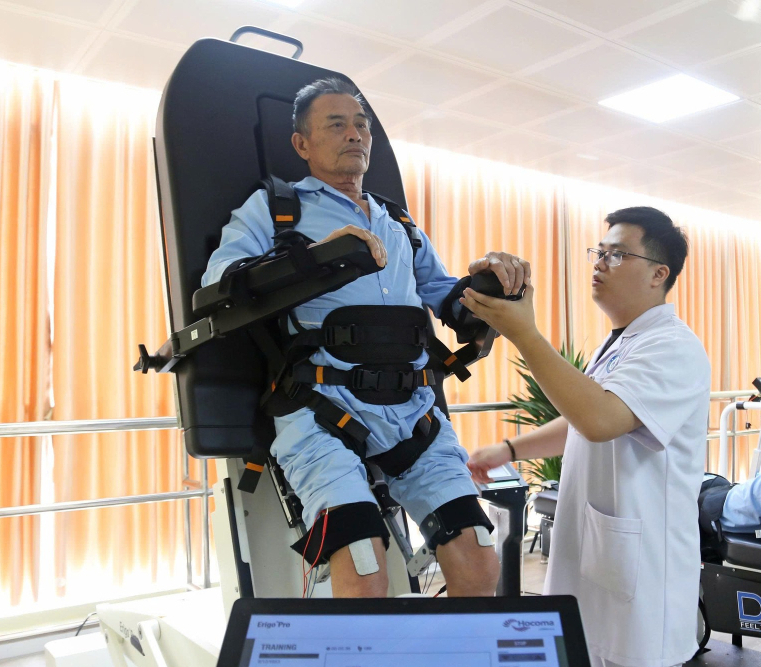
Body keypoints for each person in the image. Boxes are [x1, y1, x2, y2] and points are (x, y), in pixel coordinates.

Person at [202, 77, 529, 598]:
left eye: (361, 125)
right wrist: (311, 258)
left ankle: (449, 653)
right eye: (336, 124)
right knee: (363, 570)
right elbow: (219, 283)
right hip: (321, 409)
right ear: (302, 144)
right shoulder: (278, 208)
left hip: (412, 413)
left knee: (479, 557)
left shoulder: (397, 221)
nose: (355, 134)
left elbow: (446, 295)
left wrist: (491, 280)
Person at [465, 207, 711, 667]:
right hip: (602, 562)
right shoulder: (622, 342)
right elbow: (584, 413)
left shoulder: (672, 346)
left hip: (640, 575)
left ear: (659, 274)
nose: (600, 263)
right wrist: (509, 450)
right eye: (599, 251)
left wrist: (525, 334)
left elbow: (601, 418)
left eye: (618, 254)